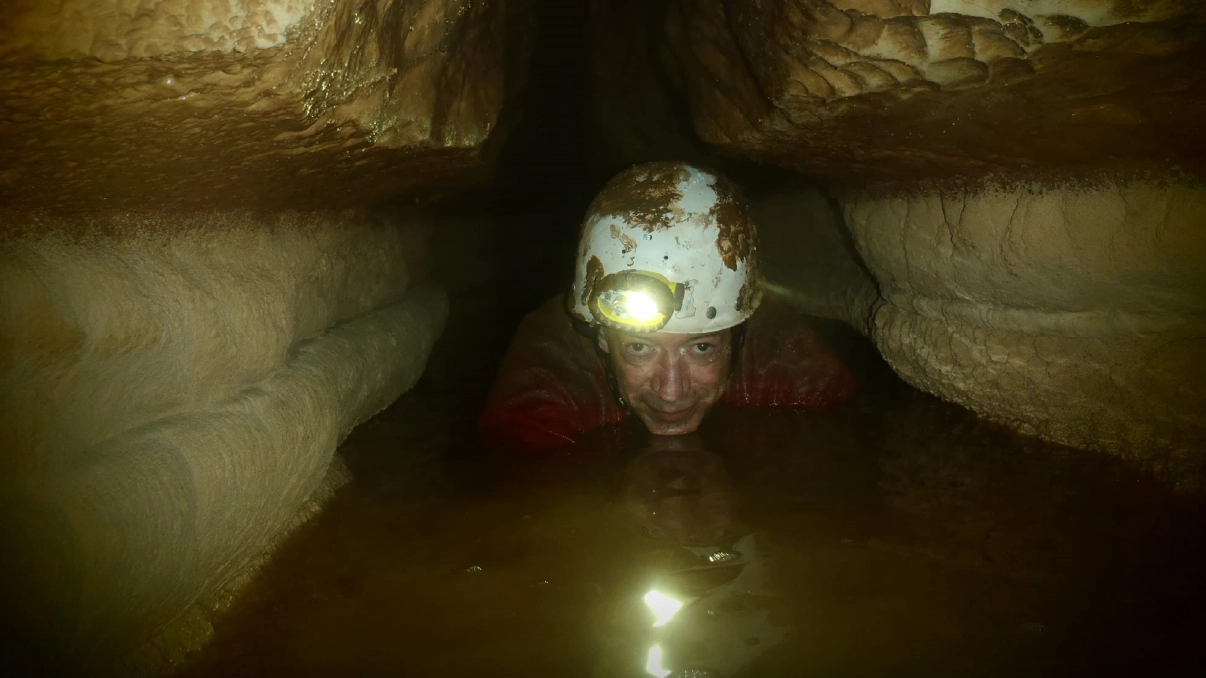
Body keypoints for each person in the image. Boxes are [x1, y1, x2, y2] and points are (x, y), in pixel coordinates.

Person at [479, 161, 856, 448]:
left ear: (738, 331)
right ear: (602, 336)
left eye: (702, 348)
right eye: (639, 348)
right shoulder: (550, 369)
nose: (671, 392)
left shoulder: (784, 356)